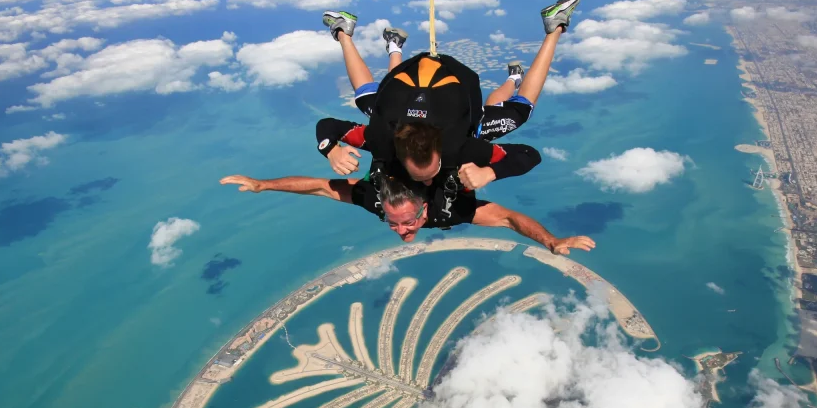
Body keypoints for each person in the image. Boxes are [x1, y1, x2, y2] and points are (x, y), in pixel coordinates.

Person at [317, 0, 581, 190]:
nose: (429, 180)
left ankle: (554, 27)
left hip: (452, 80)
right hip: (408, 84)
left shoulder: (460, 148)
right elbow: (328, 126)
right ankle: (350, 33)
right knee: (371, 100)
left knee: (521, 111)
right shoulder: (381, 137)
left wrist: (490, 172)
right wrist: (330, 148)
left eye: (426, 174)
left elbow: (529, 155)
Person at [219, 173, 595, 256]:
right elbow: (319, 186)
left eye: (407, 222)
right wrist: (262, 184)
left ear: (425, 210)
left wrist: (549, 239)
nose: (401, 229)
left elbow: (511, 219)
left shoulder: (452, 209)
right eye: (394, 223)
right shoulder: (374, 198)